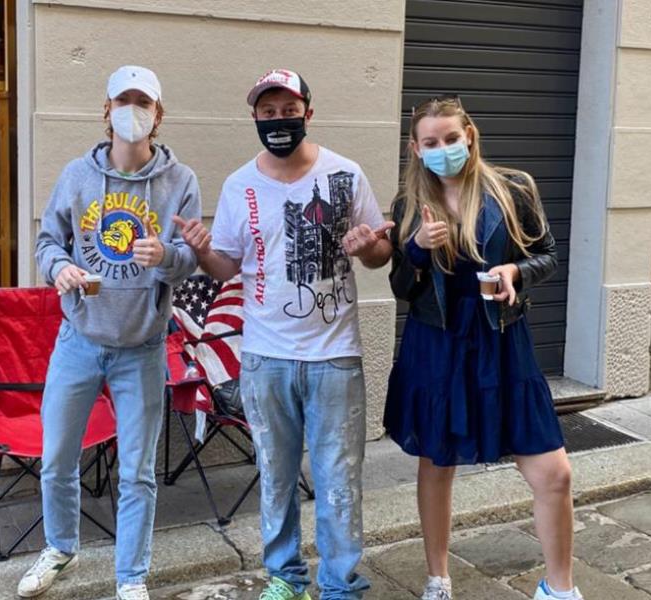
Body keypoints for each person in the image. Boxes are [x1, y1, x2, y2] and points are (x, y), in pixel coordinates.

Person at [173, 68, 393, 600]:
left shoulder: (346, 174)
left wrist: (369, 247)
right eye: (267, 112)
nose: (278, 120)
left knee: (339, 480)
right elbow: (227, 267)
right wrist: (202, 250)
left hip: (334, 356)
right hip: (264, 357)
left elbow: (380, 252)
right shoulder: (239, 185)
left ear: (307, 114)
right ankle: (286, 579)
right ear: (254, 117)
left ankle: (340, 585)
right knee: (275, 476)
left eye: (288, 111)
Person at [383, 95, 582, 600]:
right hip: (437, 345)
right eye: (431, 142)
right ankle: (438, 578)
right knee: (436, 462)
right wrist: (415, 250)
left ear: (469, 135)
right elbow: (402, 287)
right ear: (416, 148)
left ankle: (559, 590)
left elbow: (547, 255)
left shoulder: (514, 189)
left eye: (452, 138)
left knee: (555, 474)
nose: (444, 148)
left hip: (501, 341)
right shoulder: (409, 205)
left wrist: (515, 270)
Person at [20, 65, 200, 600]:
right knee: (57, 459)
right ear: (107, 109)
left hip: (142, 347)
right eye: (124, 100)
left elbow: (190, 258)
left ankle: (131, 578)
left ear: (158, 115)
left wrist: (165, 255)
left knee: (137, 473)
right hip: (79, 340)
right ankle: (60, 548)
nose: (133, 110)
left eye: (143, 101)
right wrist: (59, 269)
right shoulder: (78, 175)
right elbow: (47, 241)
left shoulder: (180, 181)